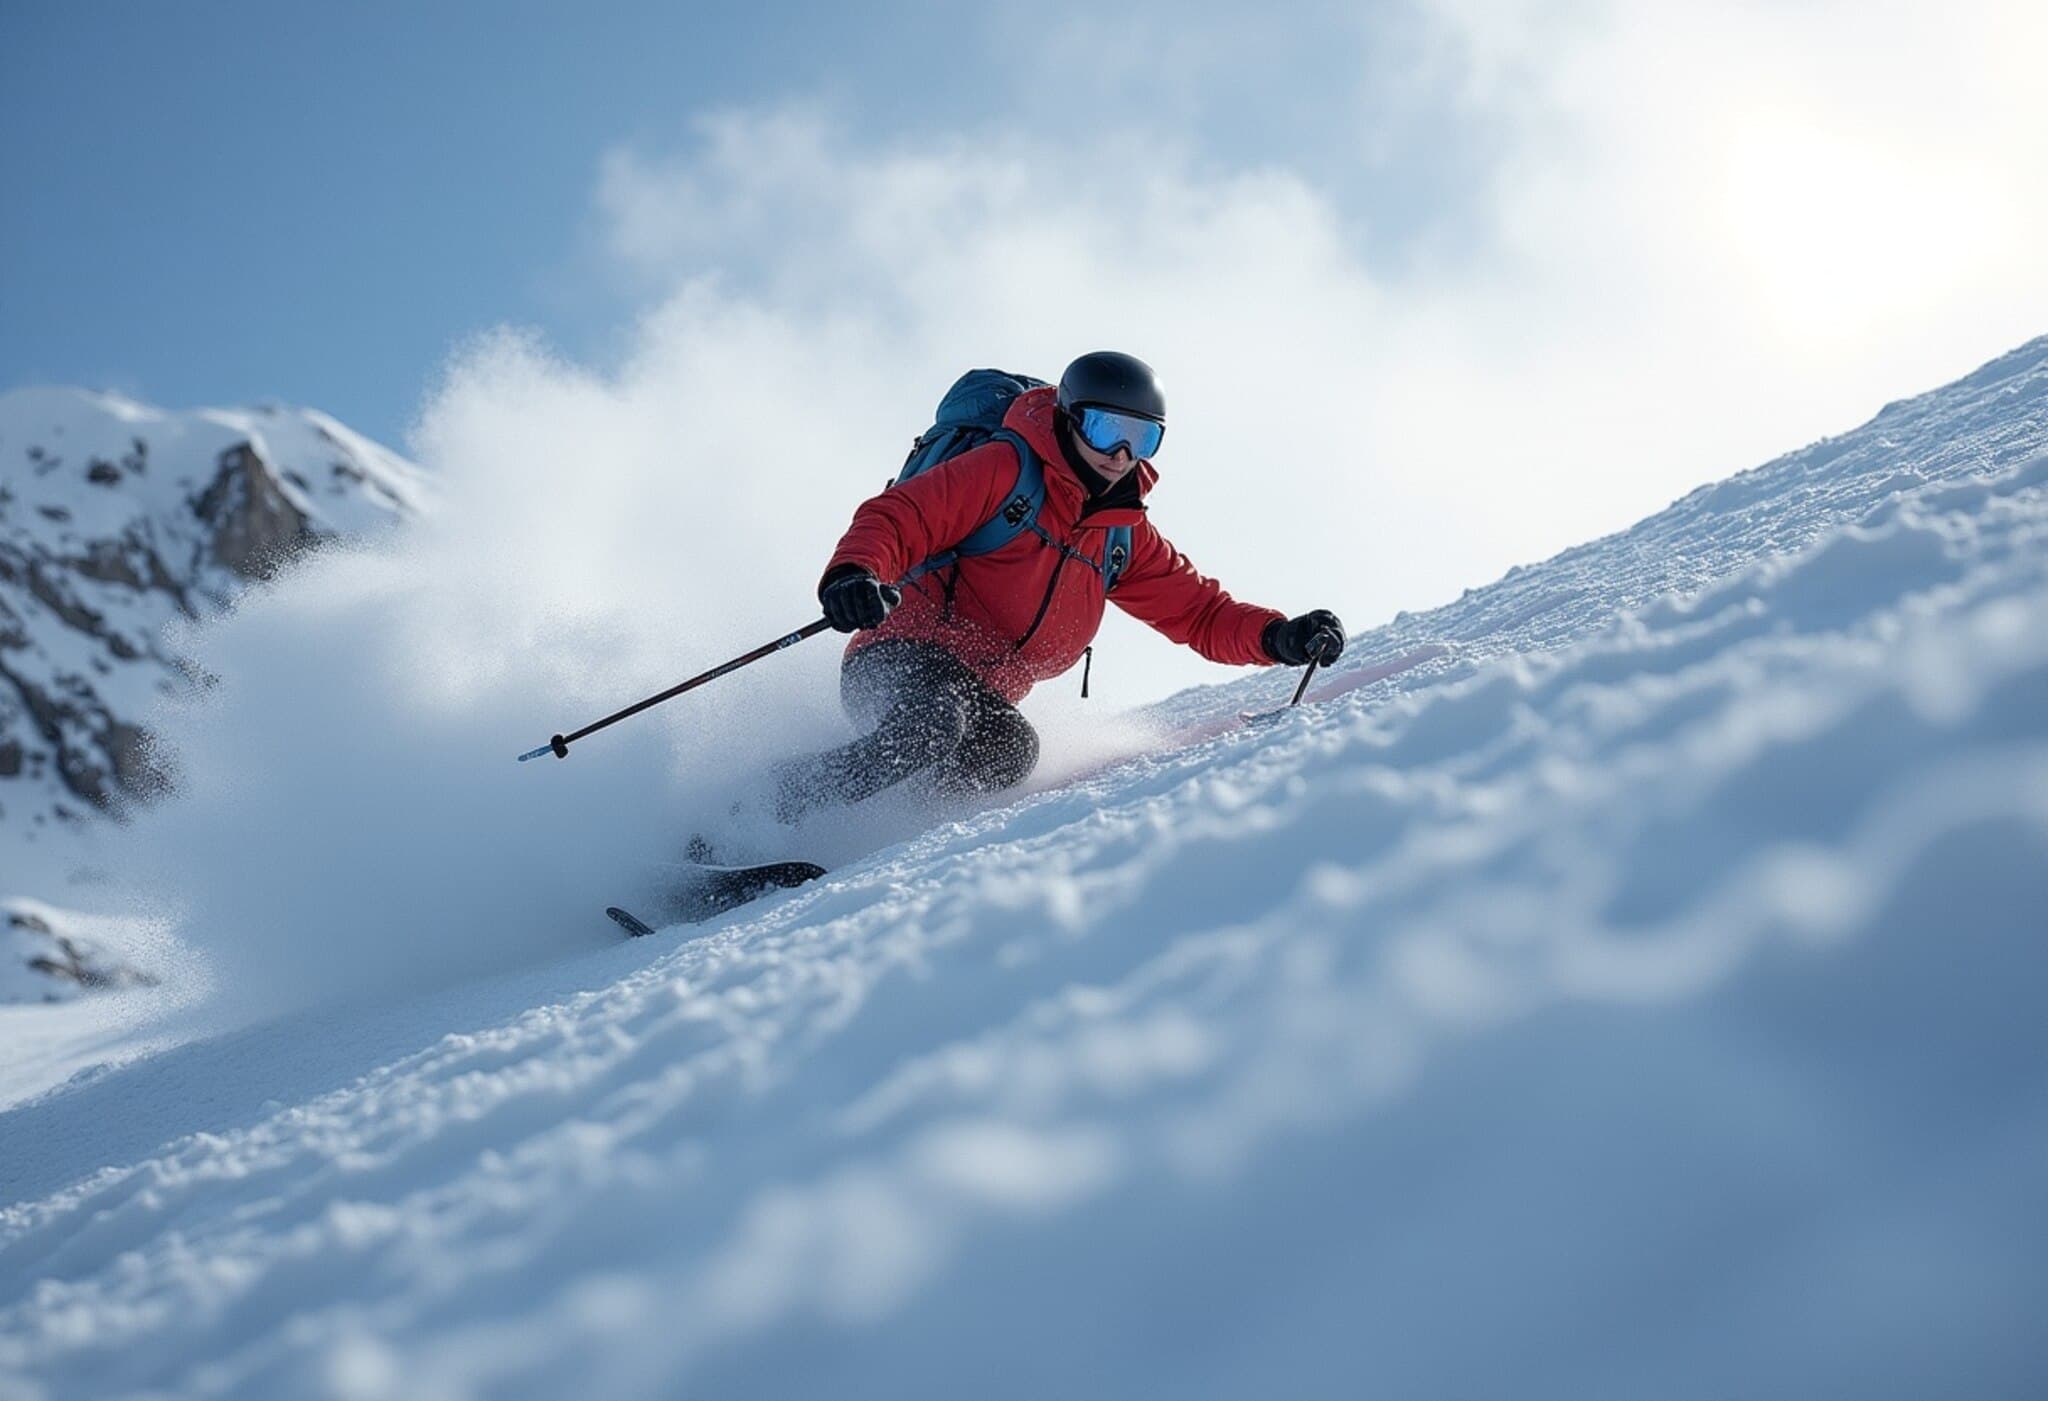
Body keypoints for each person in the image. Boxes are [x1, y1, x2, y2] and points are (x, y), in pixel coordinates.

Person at [775, 351, 1345, 821]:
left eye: (1142, 439)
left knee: (1009, 753)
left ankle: (854, 833)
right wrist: (855, 574)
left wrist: (1279, 636)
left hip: (978, 692)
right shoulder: (1004, 470)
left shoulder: (1121, 535)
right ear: (1071, 420)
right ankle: (760, 811)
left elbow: (1198, 612)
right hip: (900, 654)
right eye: (1105, 430)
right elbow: (902, 517)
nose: (1121, 456)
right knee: (931, 726)